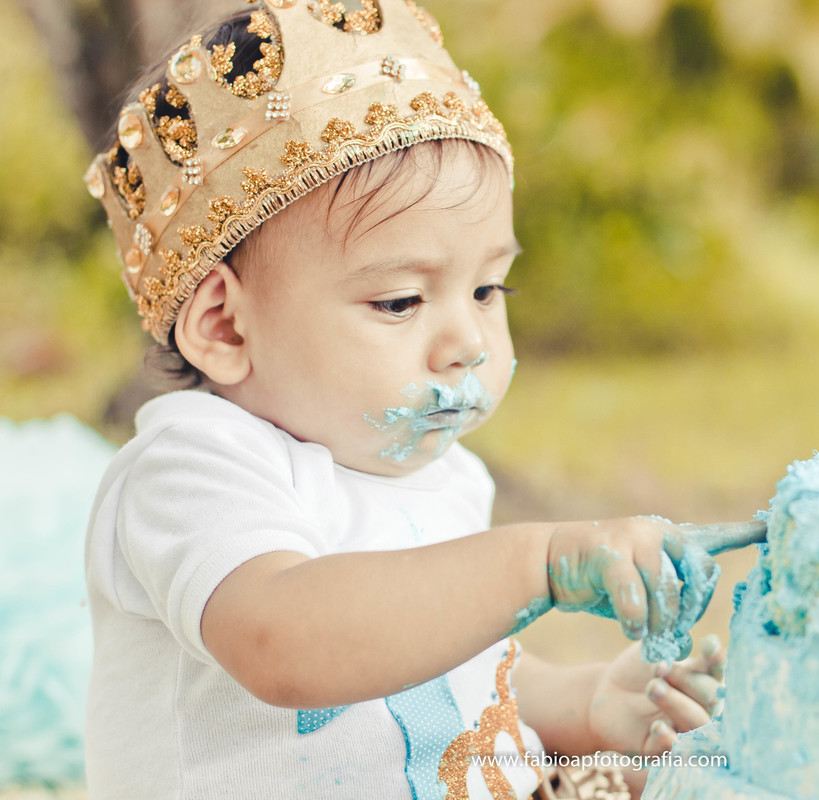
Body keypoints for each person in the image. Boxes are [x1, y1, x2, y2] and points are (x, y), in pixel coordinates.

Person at [83, 2, 744, 797]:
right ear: (225, 326)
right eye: (399, 302)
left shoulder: (445, 477)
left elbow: (458, 679)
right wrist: (534, 564)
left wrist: (586, 699)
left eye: (487, 288)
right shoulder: (191, 467)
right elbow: (284, 642)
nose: (468, 341)